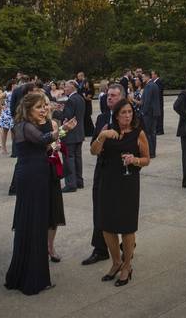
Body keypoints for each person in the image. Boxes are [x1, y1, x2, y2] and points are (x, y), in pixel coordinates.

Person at [5, 91, 77, 295]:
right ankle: (32, 279)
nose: (44, 109)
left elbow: (44, 145)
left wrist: (55, 131)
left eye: (44, 106)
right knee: (34, 224)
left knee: (34, 223)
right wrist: (63, 129)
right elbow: (45, 138)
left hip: (36, 174)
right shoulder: (24, 126)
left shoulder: (28, 125)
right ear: (27, 110)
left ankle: (24, 274)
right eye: (39, 107)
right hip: (32, 177)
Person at [91, 96, 150, 287]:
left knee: (127, 226)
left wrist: (135, 160)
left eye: (129, 112)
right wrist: (102, 136)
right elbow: (93, 151)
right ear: (116, 115)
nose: (127, 115)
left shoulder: (138, 133)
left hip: (128, 183)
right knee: (107, 226)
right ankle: (116, 262)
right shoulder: (107, 130)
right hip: (108, 182)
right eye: (123, 112)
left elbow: (146, 159)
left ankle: (127, 265)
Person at [80, 84, 118, 267]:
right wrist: (102, 136)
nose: (109, 98)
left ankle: (125, 245)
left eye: (113, 95)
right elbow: (93, 147)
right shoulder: (102, 117)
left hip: (121, 171)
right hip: (102, 169)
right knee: (100, 209)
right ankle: (100, 249)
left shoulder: (130, 117)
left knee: (120, 210)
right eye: (108, 95)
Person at [55, 82, 86, 193]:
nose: (64, 89)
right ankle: (79, 181)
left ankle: (71, 184)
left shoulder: (71, 100)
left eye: (66, 87)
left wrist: (55, 112)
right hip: (79, 133)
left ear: (72, 87)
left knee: (69, 159)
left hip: (70, 134)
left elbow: (66, 117)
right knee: (77, 158)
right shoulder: (80, 98)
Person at [138, 71, 161, 159]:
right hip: (153, 112)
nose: (142, 79)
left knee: (149, 133)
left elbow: (147, 101)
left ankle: (151, 152)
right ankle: (152, 152)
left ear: (148, 77)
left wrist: (143, 111)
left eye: (143, 77)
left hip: (149, 113)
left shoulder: (149, 86)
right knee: (152, 133)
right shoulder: (153, 85)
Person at [0, 81, 14, 155]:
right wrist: (2, 107)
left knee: (13, 132)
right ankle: (4, 148)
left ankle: (13, 149)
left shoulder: (14, 92)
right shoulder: (6, 93)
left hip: (11, 113)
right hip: (7, 113)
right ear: (11, 85)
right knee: (5, 131)